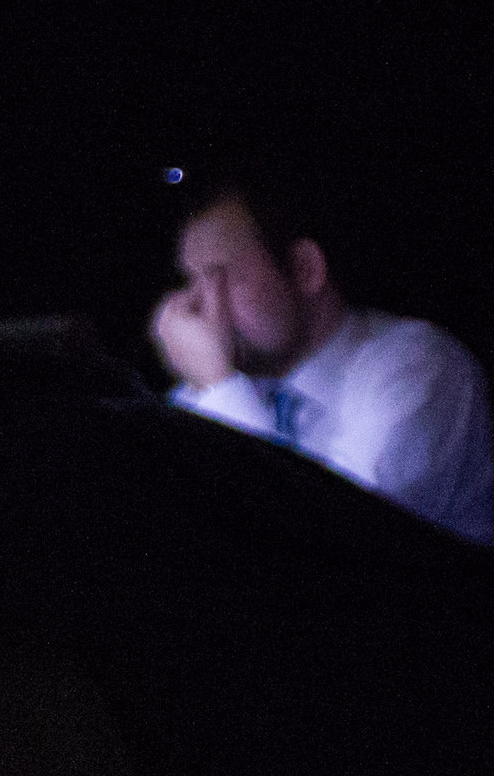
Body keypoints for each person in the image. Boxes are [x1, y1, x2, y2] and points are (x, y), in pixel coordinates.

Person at [148, 176, 494, 545]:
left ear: (305, 269)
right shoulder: (225, 388)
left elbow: (325, 550)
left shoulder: (417, 368)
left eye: (219, 278)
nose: (199, 308)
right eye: (192, 282)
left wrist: (220, 386)